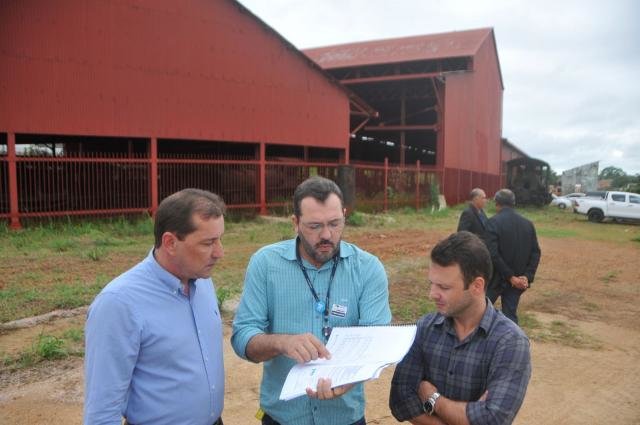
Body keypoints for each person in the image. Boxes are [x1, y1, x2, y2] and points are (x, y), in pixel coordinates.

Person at [231, 176, 392, 425]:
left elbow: (376, 341)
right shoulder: (265, 264)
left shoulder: (368, 268)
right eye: (314, 226)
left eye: (335, 223)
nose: (327, 235)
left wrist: (347, 379)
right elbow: (242, 337)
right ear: (295, 222)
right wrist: (281, 343)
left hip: (345, 417)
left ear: (345, 215)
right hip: (282, 417)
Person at [84, 189, 226, 425]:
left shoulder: (202, 280)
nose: (220, 252)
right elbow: (101, 411)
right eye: (208, 243)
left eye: (220, 239)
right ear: (170, 242)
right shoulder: (119, 303)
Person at [389, 231, 531, 425]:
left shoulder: (510, 341)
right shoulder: (424, 328)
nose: (432, 294)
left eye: (444, 287)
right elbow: (401, 400)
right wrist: (469, 416)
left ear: (477, 286)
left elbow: (493, 419)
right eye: (432, 284)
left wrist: (433, 399)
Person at [485, 188, 541, 324]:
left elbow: (492, 254)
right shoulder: (528, 224)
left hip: (496, 279)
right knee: (510, 316)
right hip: (518, 281)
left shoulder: (493, 222)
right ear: (513, 203)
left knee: (481, 312)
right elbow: (536, 252)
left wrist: (510, 276)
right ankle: (512, 343)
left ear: (497, 203)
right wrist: (526, 276)